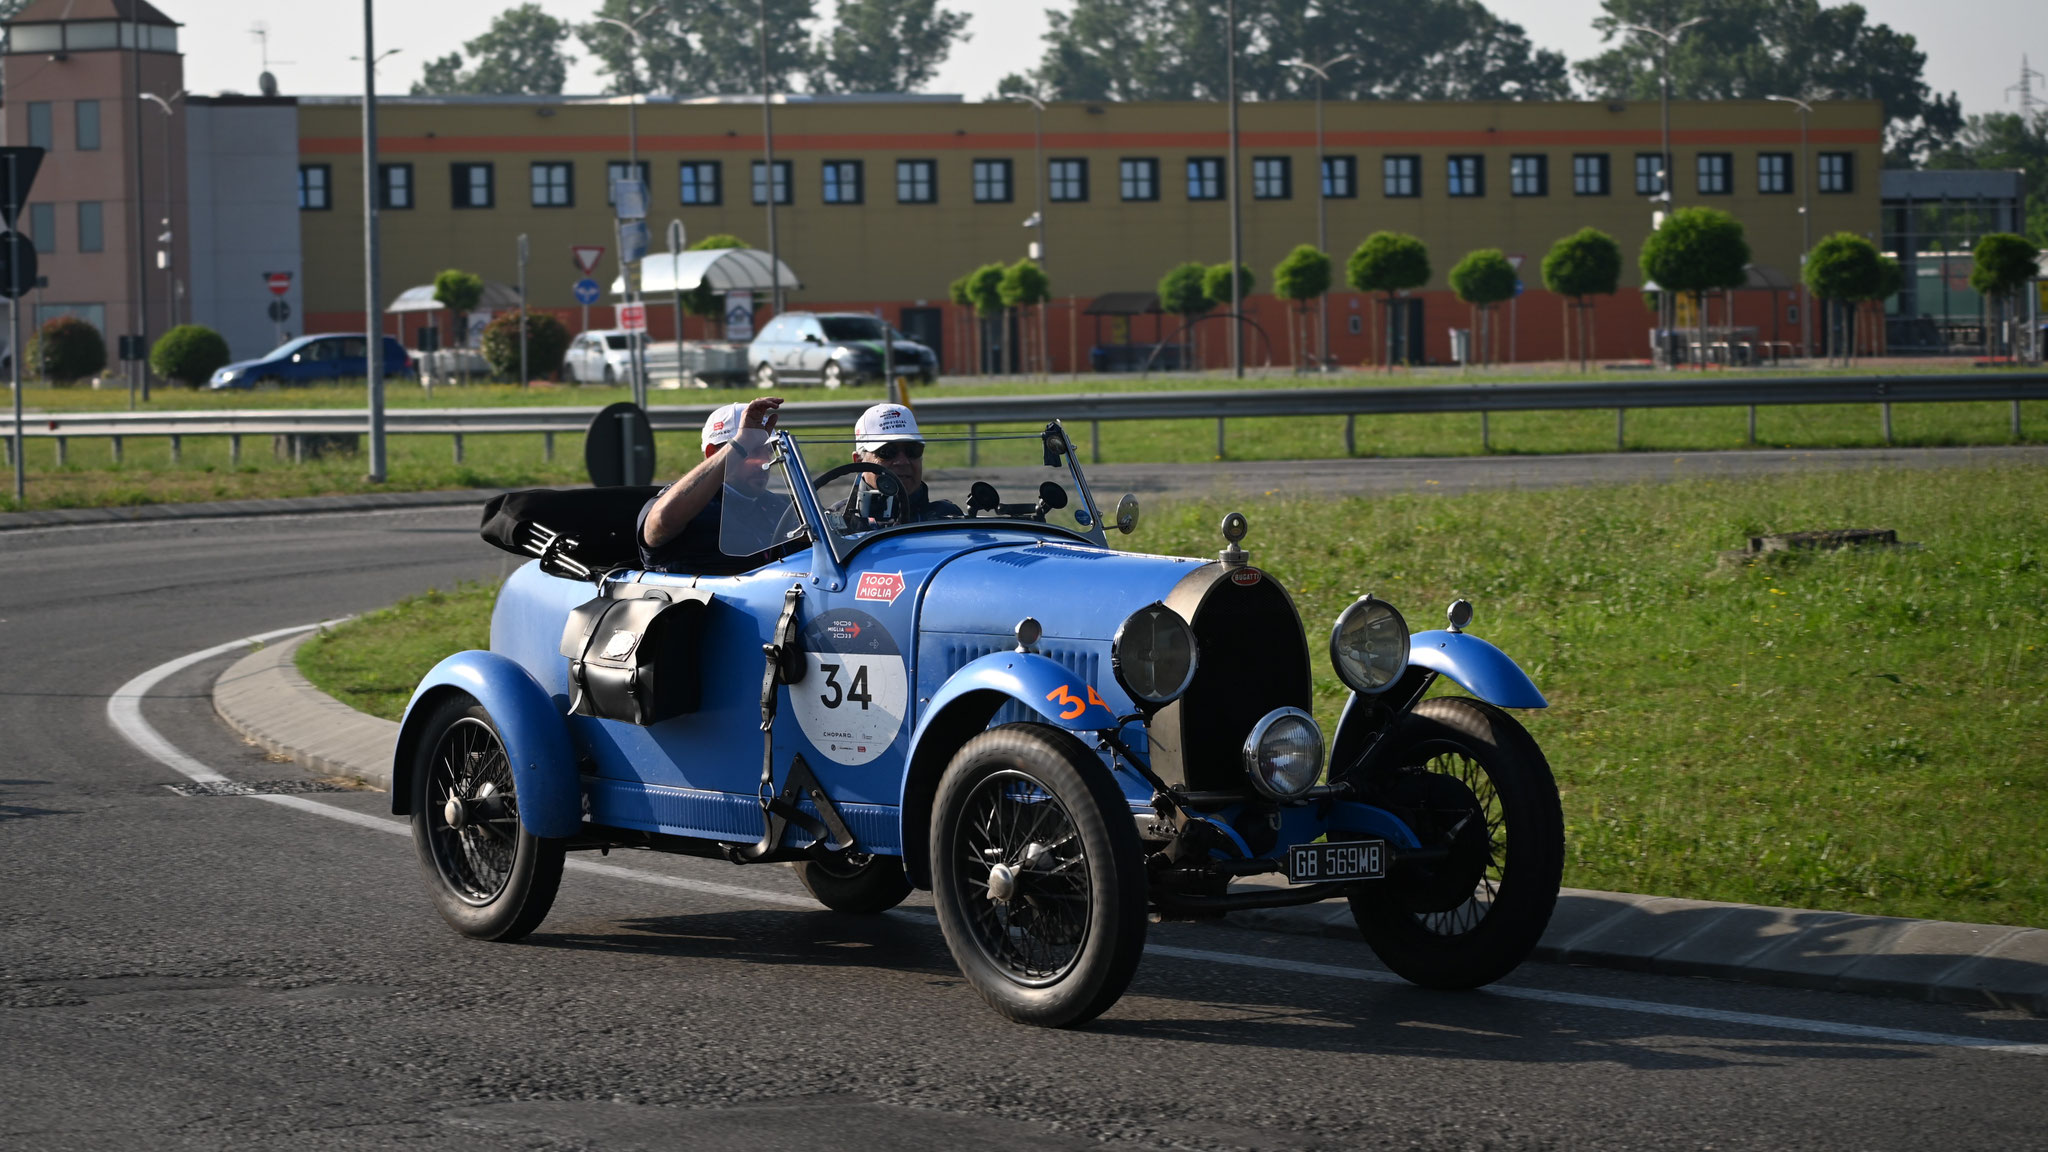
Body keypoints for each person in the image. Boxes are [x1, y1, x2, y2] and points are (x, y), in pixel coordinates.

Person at [637, 396, 794, 573]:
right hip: (704, 599)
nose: (764, 461)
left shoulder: (778, 506)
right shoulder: (681, 507)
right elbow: (661, 523)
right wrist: (740, 442)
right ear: (713, 453)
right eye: (751, 450)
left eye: (768, 451)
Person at [842, 403, 962, 524]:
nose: (902, 462)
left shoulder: (947, 519)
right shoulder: (837, 524)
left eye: (913, 450)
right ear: (859, 461)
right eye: (887, 451)